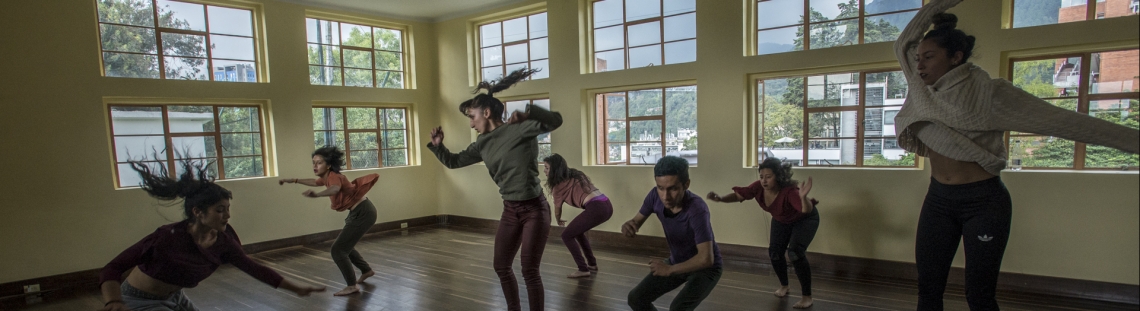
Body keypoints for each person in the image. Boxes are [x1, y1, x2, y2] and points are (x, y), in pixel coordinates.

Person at [893, 1, 1140, 309]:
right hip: (938, 200)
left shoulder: (989, 94)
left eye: (929, 57)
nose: (919, 66)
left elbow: (1063, 121)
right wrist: (940, 4)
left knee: (979, 295)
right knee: (928, 291)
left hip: (983, 202)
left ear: (956, 57)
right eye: (919, 59)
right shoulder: (920, 90)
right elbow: (904, 43)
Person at [99, 159, 324, 311]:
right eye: (219, 210)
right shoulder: (168, 237)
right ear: (198, 212)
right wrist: (114, 302)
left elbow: (253, 267)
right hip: (137, 300)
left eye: (228, 209)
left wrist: (297, 288)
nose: (227, 215)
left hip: (174, 297)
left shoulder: (222, 240)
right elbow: (112, 268)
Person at [427, 68, 562, 311]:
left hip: (534, 209)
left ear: (487, 112)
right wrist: (439, 146)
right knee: (501, 266)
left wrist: (530, 112)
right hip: (510, 210)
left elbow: (556, 120)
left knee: (529, 271)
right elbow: (453, 161)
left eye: (472, 116)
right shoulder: (482, 143)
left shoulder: (519, 128)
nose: (471, 123)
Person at [707, 157, 819, 309]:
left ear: (778, 176)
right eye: (761, 177)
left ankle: (807, 297)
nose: (764, 181)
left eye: (768, 177)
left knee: (795, 253)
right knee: (774, 252)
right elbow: (739, 195)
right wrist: (720, 199)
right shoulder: (758, 187)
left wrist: (803, 197)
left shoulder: (789, 192)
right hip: (782, 219)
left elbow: (805, 209)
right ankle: (785, 286)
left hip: (805, 219)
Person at [621, 156, 722, 311]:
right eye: (660, 188)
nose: (665, 196)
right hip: (677, 261)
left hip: (705, 269)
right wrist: (629, 227)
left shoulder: (697, 209)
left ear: (686, 184)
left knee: (678, 308)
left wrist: (669, 270)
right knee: (636, 299)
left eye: (673, 189)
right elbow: (636, 222)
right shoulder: (654, 196)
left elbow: (706, 259)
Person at [279, 146, 379, 296]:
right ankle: (366, 270)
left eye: (319, 163)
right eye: (313, 162)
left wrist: (318, 195)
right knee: (346, 246)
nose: (315, 166)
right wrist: (294, 180)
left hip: (363, 212)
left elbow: (334, 189)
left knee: (338, 250)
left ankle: (352, 286)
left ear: (329, 165)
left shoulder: (333, 176)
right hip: (360, 211)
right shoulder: (326, 177)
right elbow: (314, 182)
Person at [542, 153, 613, 278]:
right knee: (577, 232)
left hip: (596, 207)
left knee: (566, 235)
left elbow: (557, 209)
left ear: (555, 170)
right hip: (606, 204)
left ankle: (583, 269)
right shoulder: (576, 174)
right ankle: (591, 263)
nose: (544, 171)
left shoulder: (557, 187)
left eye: (547, 168)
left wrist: (558, 220)